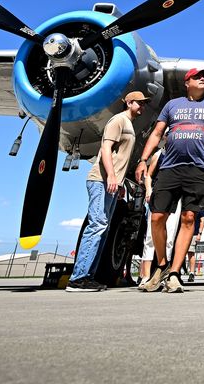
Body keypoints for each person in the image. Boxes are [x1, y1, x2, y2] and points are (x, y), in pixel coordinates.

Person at [134, 68, 204, 293]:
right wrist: (143, 160)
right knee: (158, 217)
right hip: (170, 168)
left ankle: (174, 273)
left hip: (198, 170)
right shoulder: (172, 105)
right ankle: (162, 265)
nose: (203, 79)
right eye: (197, 77)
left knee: (189, 217)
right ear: (186, 82)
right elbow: (157, 133)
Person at [67, 90, 143, 292]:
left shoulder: (129, 125)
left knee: (105, 227)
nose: (142, 106)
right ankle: (78, 277)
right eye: (139, 103)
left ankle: (89, 276)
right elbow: (106, 149)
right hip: (100, 180)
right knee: (97, 225)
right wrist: (110, 175)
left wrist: (118, 183)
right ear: (129, 103)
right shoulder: (117, 121)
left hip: (111, 183)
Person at [137, 148, 179, 290]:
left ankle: (163, 275)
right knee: (150, 236)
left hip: (175, 197)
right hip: (159, 194)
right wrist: (149, 190)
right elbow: (149, 175)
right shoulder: (158, 154)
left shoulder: (180, 153)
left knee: (170, 236)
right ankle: (145, 276)